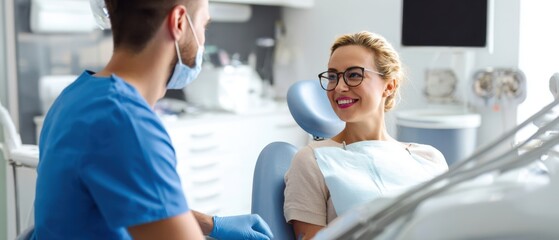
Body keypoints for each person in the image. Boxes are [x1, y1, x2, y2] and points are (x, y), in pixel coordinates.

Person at [32, 0, 273, 239]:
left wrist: (209, 224)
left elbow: (123, 199)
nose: (203, 41)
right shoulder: (126, 122)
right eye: (203, 26)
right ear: (179, 22)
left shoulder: (76, 95)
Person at [283, 31, 449, 239]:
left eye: (354, 74)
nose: (340, 87)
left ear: (389, 85)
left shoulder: (428, 158)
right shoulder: (312, 161)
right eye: (333, 76)